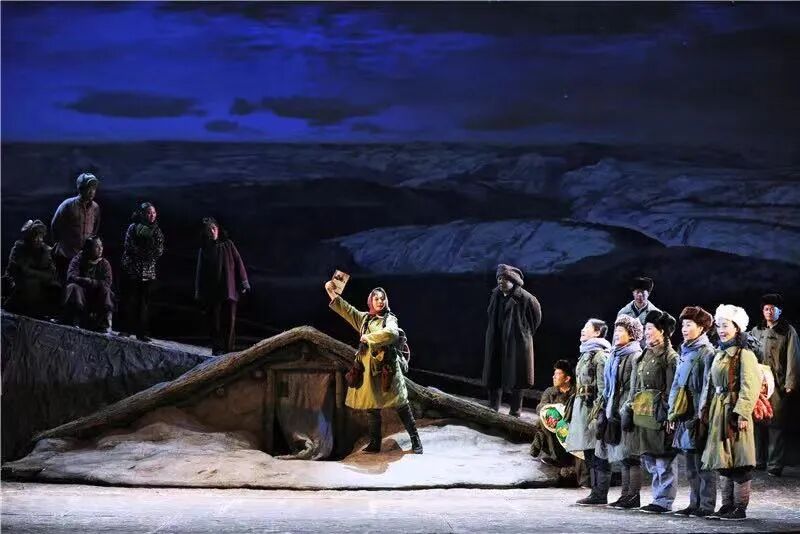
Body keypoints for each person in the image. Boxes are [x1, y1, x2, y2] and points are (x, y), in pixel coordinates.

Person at [324, 281, 422, 454]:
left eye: (382, 299)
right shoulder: (365, 319)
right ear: (371, 301)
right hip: (368, 370)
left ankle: (415, 440)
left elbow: (392, 333)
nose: (380, 301)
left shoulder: (389, 318)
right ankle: (375, 443)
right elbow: (347, 310)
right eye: (376, 299)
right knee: (372, 407)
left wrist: (369, 338)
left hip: (387, 369)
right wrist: (330, 291)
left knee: (401, 403)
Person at [700, 305, 761, 521]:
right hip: (719, 409)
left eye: (725, 326)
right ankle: (727, 505)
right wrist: (706, 409)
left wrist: (742, 413)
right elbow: (711, 383)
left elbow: (750, 386)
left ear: (737, 327)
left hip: (734, 410)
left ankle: (740, 507)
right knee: (723, 459)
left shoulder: (744, 354)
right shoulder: (719, 353)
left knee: (739, 459)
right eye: (719, 326)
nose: (721, 330)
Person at [668, 306, 718, 518]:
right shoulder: (685, 351)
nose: (684, 329)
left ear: (702, 328)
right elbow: (676, 385)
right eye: (683, 325)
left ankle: (706, 505)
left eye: (689, 325)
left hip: (698, 413)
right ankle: (693, 503)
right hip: (684, 413)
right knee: (690, 464)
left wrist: (702, 415)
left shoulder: (707, 353)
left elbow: (708, 386)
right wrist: (672, 412)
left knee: (703, 463)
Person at [631, 311, 678, 514]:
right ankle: (658, 497)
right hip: (644, 411)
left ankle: (663, 501)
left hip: (660, 411)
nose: (646, 332)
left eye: (650, 328)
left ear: (662, 331)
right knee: (650, 457)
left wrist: (669, 415)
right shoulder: (646, 353)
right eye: (646, 328)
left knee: (663, 458)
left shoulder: (669, 357)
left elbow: (672, 388)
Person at [748, 293, 799, 477]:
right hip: (757, 382)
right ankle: (758, 460)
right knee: (757, 421)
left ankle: (775, 464)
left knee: (776, 424)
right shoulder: (756, 330)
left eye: (772, 308)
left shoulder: (788, 331)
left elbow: (793, 357)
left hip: (777, 383)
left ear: (779, 310)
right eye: (766, 308)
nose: (769, 312)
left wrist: (790, 383)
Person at [596, 315, 643, 510]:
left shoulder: (634, 355)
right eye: (616, 330)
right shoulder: (616, 354)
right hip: (614, 406)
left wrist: (627, 408)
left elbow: (635, 386)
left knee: (631, 455)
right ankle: (625, 495)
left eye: (621, 331)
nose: (616, 334)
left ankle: (633, 496)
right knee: (623, 455)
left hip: (627, 408)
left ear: (631, 334)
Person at [483, 264, 542, 417]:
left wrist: (523, 332)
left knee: (517, 377)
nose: (501, 282)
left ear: (513, 281)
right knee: (494, 374)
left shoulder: (526, 298)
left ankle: (515, 411)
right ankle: (493, 408)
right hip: (497, 340)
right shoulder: (495, 295)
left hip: (517, 342)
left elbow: (535, 319)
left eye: (505, 279)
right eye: (499, 278)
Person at [567, 319, 612, 505]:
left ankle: (600, 493)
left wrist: (599, 412)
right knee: (588, 450)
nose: (582, 330)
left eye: (587, 328)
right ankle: (594, 491)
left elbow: (603, 388)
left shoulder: (600, 356)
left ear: (597, 333)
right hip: (582, 408)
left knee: (599, 450)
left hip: (593, 408)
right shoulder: (585, 353)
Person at [194, 218, 249, 355]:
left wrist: (244, 282)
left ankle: (228, 349)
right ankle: (217, 348)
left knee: (229, 321)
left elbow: (238, 262)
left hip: (229, 289)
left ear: (218, 229)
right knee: (215, 322)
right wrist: (199, 292)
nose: (212, 231)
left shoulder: (228, 245)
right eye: (209, 230)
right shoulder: (204, 249)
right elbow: (200, 272)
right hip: (213, 292)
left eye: (213, 228)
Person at [120, 202, 164, 342]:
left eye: (154, 213)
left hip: (147, 272)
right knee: (129, 300)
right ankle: (126, 329)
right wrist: (141, 253)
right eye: (149, 213)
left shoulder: (156, 231)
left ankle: (142, 332)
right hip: (132, 269)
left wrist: (147, 254)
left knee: (143, 303)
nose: (152, 215)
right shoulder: (133, 228)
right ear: (143, 214)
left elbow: (159, 250)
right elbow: (128, 246)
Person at [2, 219, 61, 318]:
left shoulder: (46, 251)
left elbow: (51, 274)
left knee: (55, 287)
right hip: (18, 283)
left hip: (39, 285)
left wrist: (33, 273)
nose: (38, 239)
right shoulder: (19, 248)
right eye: (35, 236)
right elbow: (15, 270)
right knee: (28, 284)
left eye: (40, 236)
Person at [51, 172, 101, 284]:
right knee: (65, 284)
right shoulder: (67, 205)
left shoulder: (95, 207)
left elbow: (95, 228)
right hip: (66, 255)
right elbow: (55, 225)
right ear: (81, 188)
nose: (92, 191)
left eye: (94, 188)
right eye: (89, 188)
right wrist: (59, 245)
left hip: (84, 256)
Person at [531, 359, 577, 468]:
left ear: (567, 378)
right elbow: (540, 407)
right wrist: (552, 411)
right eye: (554, 374)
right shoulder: (550, 391)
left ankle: (541, 439)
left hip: (570, 429)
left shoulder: (575, 393)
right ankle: (557, 458)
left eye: (557, 374)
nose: (553, 377)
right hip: (553, 429)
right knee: (542, 421)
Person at [63, 236, 114, 332]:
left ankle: (103, 323)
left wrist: (91, 282)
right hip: (81, 294)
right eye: (96, 246)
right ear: (89, 248)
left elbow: (107, 282)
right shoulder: (78, 259)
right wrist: (86, 281)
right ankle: (75, 319)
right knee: (73, 287)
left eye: (101, 246)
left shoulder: (104, 263)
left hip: (96, 295)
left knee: (106, 290)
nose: (100, 249)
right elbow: (71, 276)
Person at [618, 277, 661, 349]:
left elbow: (659, 339)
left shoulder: (657, 314)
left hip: (648, 351)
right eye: (637, 292)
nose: (640, 295)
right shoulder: (623, 313)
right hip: (627, 351)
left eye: (643, 292)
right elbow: (616, 337)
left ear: (648, 293)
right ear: (633, 293)